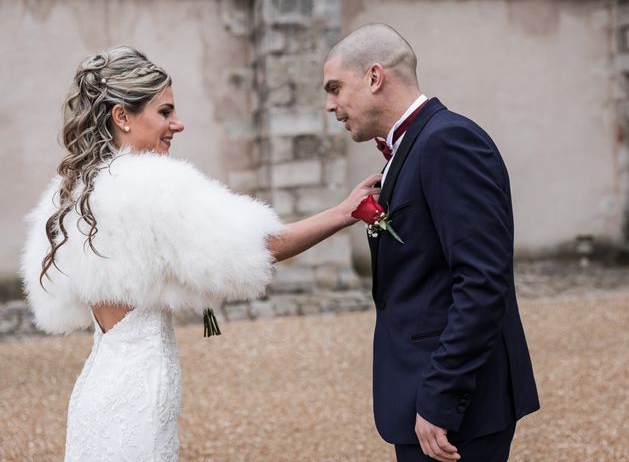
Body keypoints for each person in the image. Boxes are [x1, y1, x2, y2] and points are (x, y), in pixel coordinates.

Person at [20, 46, 381, 461]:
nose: (178, 124)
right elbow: (259, 246)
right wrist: (342, 213)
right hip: (140, 392)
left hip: (98, 390)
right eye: (164, 112)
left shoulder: (75, 190)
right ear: (122, 117)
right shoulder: (152, 185)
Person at [323, 24, 539, 462]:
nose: (331, 106)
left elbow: (481, 281)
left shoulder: (448, 142)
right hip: (424, 395)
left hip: (458, 408)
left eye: (335, 88)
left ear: (374, 77)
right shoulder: (413, 147)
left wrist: (441, 397)